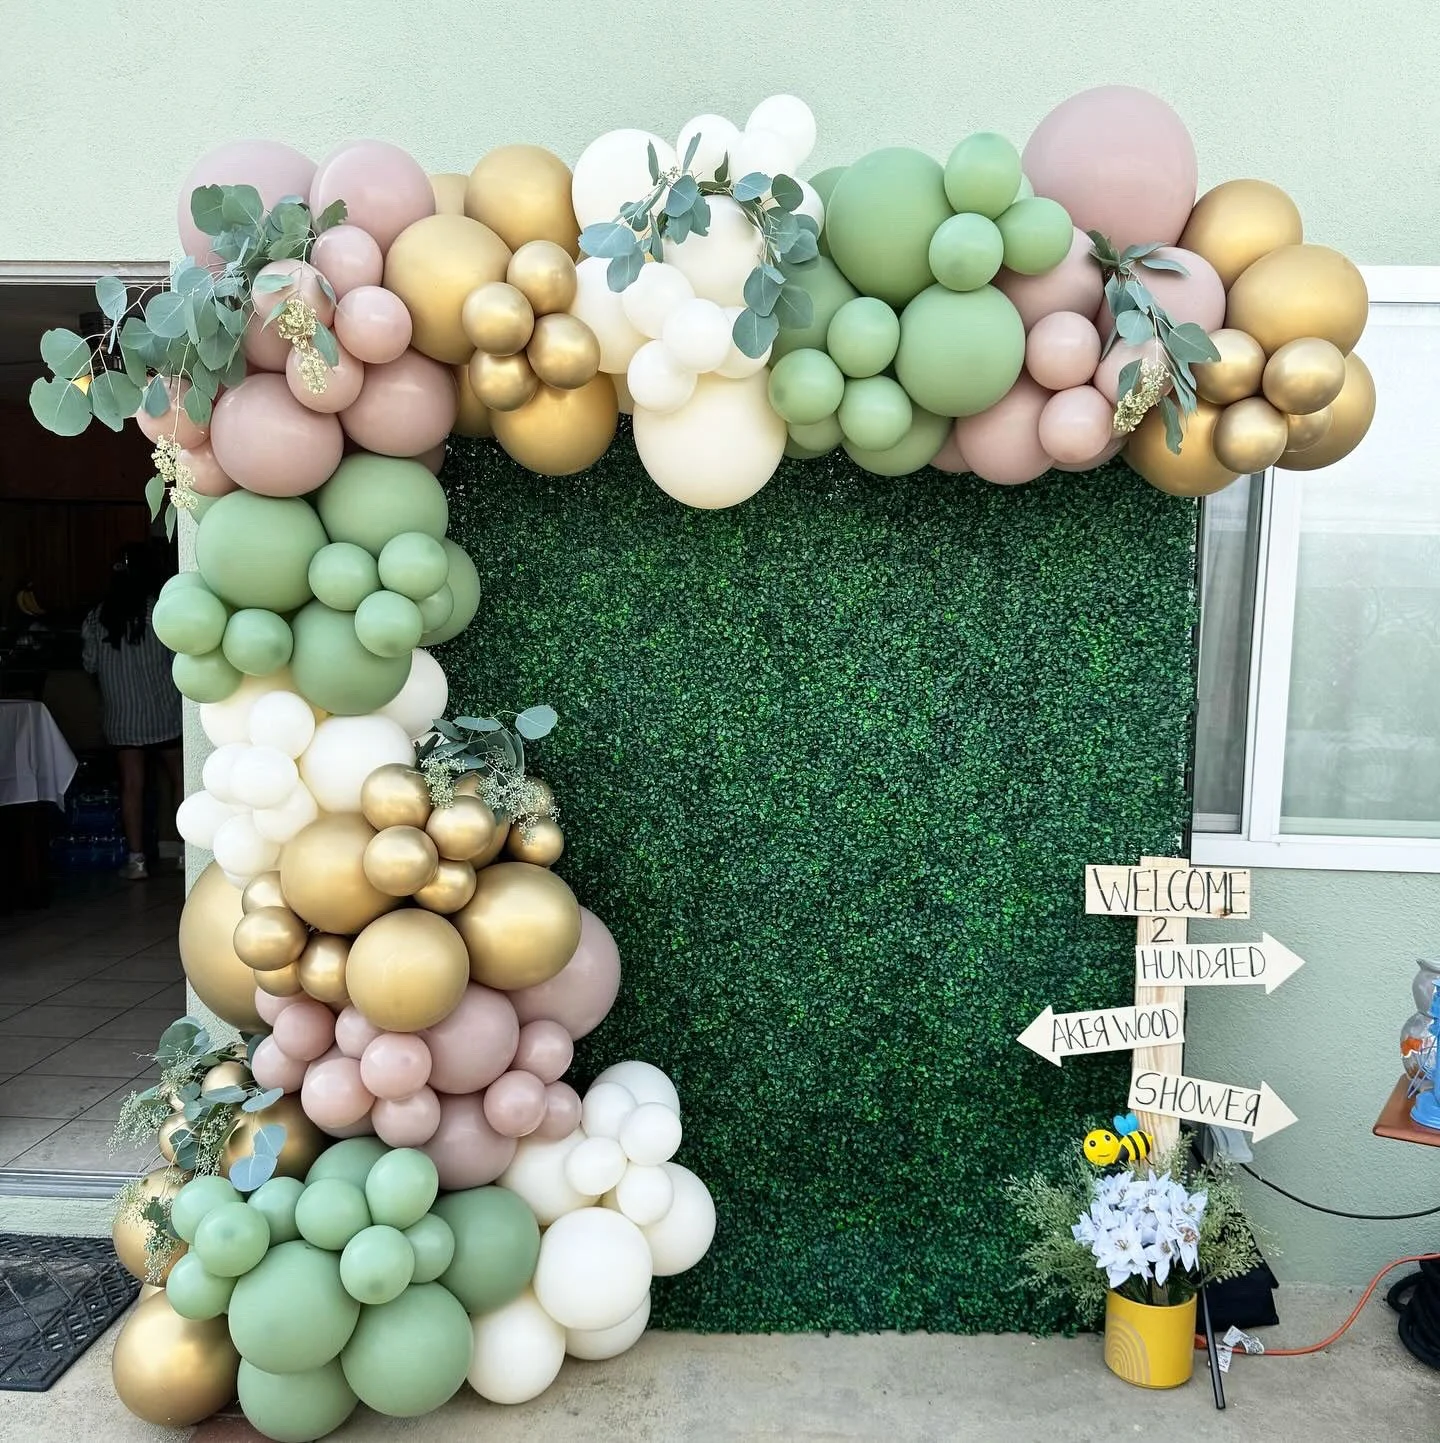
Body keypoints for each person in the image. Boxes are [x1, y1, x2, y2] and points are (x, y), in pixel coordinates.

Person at [81, 543, 182, 879]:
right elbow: (176, 664)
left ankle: (136, 860)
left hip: (123, 719)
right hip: (164, 713)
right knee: (180, 780)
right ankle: (187, 851)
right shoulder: (159, 612)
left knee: (132, 785)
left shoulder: (97, 618)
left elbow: (90, 664)